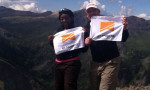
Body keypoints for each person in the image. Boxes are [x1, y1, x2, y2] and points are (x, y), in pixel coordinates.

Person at [84, 3, 129, 90]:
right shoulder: (86, 28)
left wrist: (124, 28)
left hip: (111, 61)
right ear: (87, 15)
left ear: (99, 12)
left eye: (94, 10)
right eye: (89, 11)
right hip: (95, 63)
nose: (92, 12)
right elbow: (84, 49)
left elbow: (123, 38)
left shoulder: (109, 22)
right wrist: (85, 43)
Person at [48, 8, 87, 90]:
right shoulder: (58, 32)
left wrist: (84, 35)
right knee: (58, 87)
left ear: (71, 18)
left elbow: (84, 50)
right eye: (62, 18)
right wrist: (51, 42)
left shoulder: (78, 31)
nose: (64, 20)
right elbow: (58, 49)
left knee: (70, 87)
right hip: (58, 63)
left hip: (72, 63)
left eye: (66, 18)